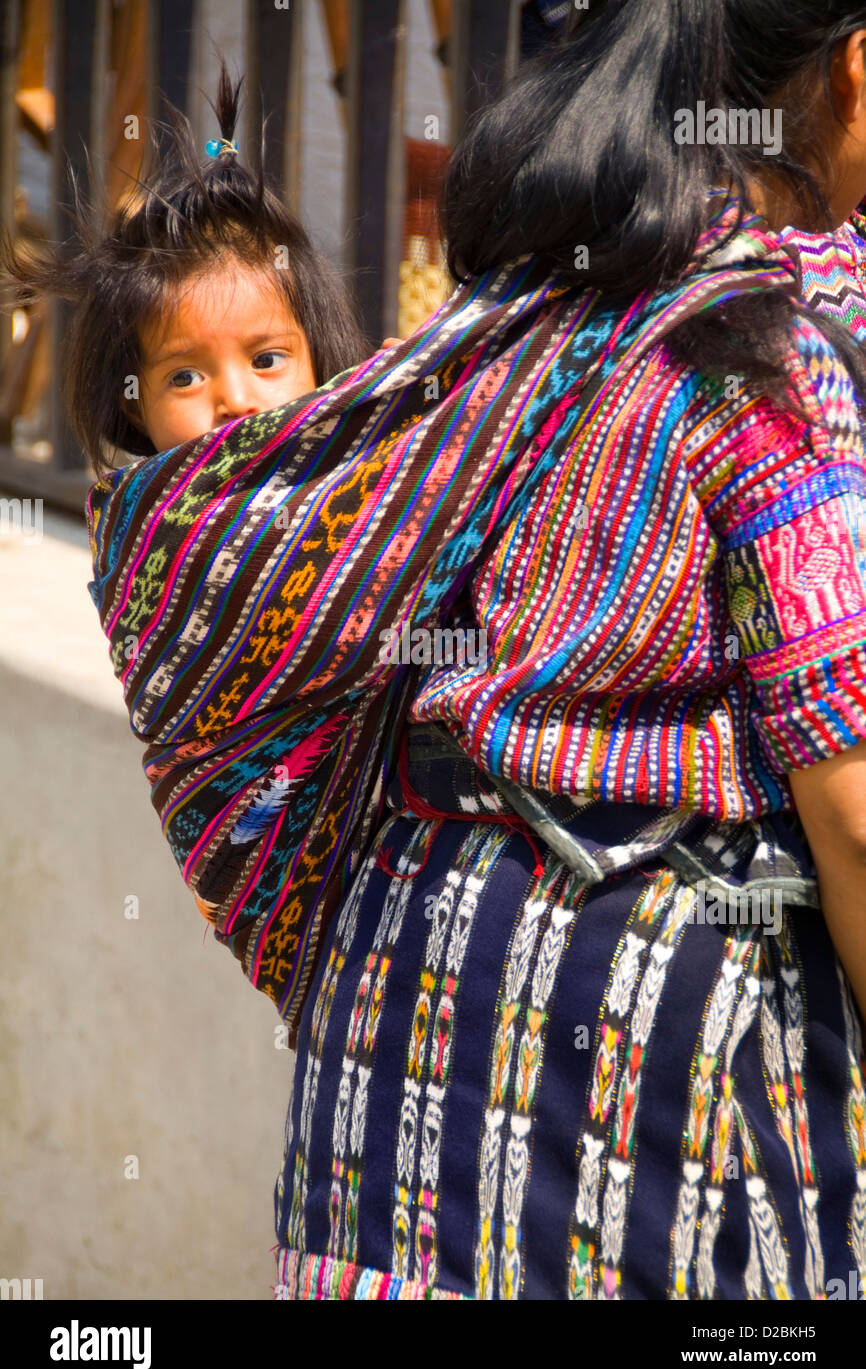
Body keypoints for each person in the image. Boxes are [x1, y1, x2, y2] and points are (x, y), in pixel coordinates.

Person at [78, 0, 866, 1302]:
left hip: (383, 1034)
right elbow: (847, 805)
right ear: (850, 70)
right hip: (644, 1067)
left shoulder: (511, 315)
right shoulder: (766, 347)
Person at [1, 65, 371, 473]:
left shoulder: (365, 477)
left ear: (320, 360)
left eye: (266, 361)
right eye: (185, 378)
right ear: (136, 407)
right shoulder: (144, 523)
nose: (236, 402)